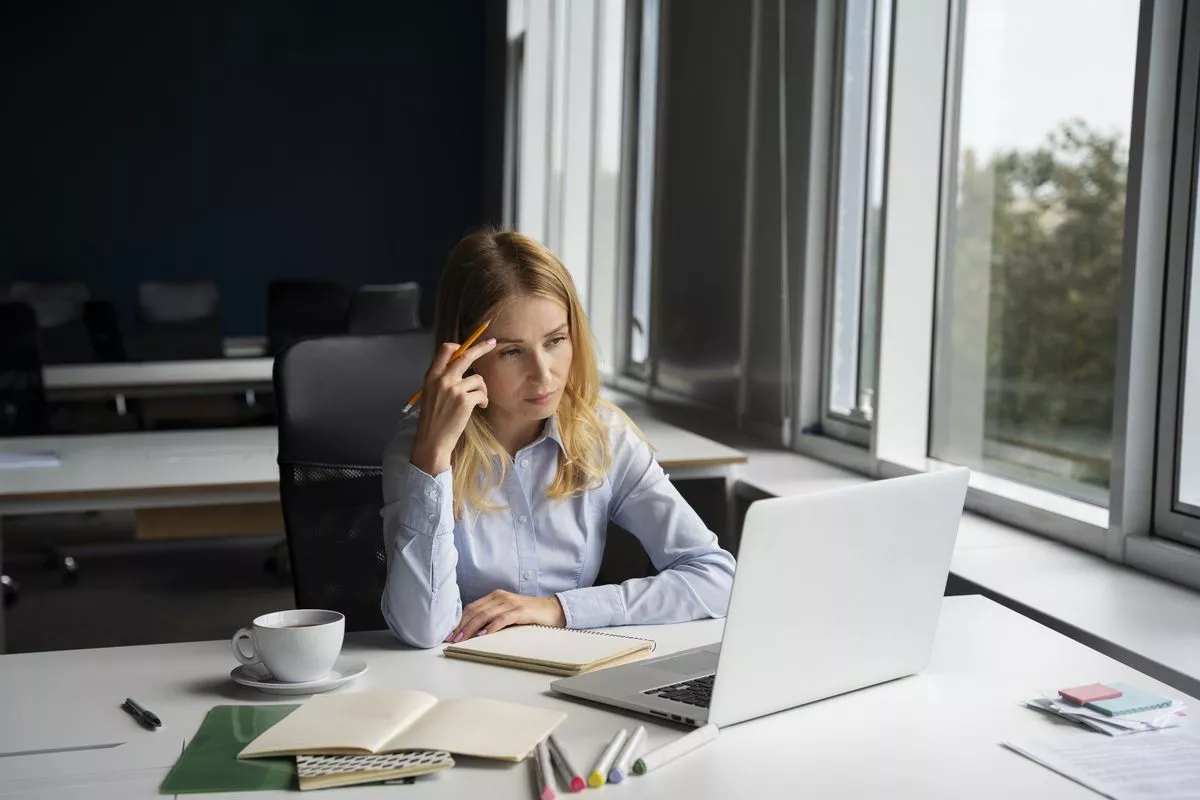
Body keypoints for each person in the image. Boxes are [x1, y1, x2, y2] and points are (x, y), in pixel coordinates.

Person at [380, 228, 735, 648]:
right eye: (511, 351)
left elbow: (716, 577)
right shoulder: (418, 451)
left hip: (570, 668)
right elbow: (423, 630)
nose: (543, 374)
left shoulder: (604, 437)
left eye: (555, 341)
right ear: (463, 356)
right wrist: (434, 455)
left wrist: (558, 608)